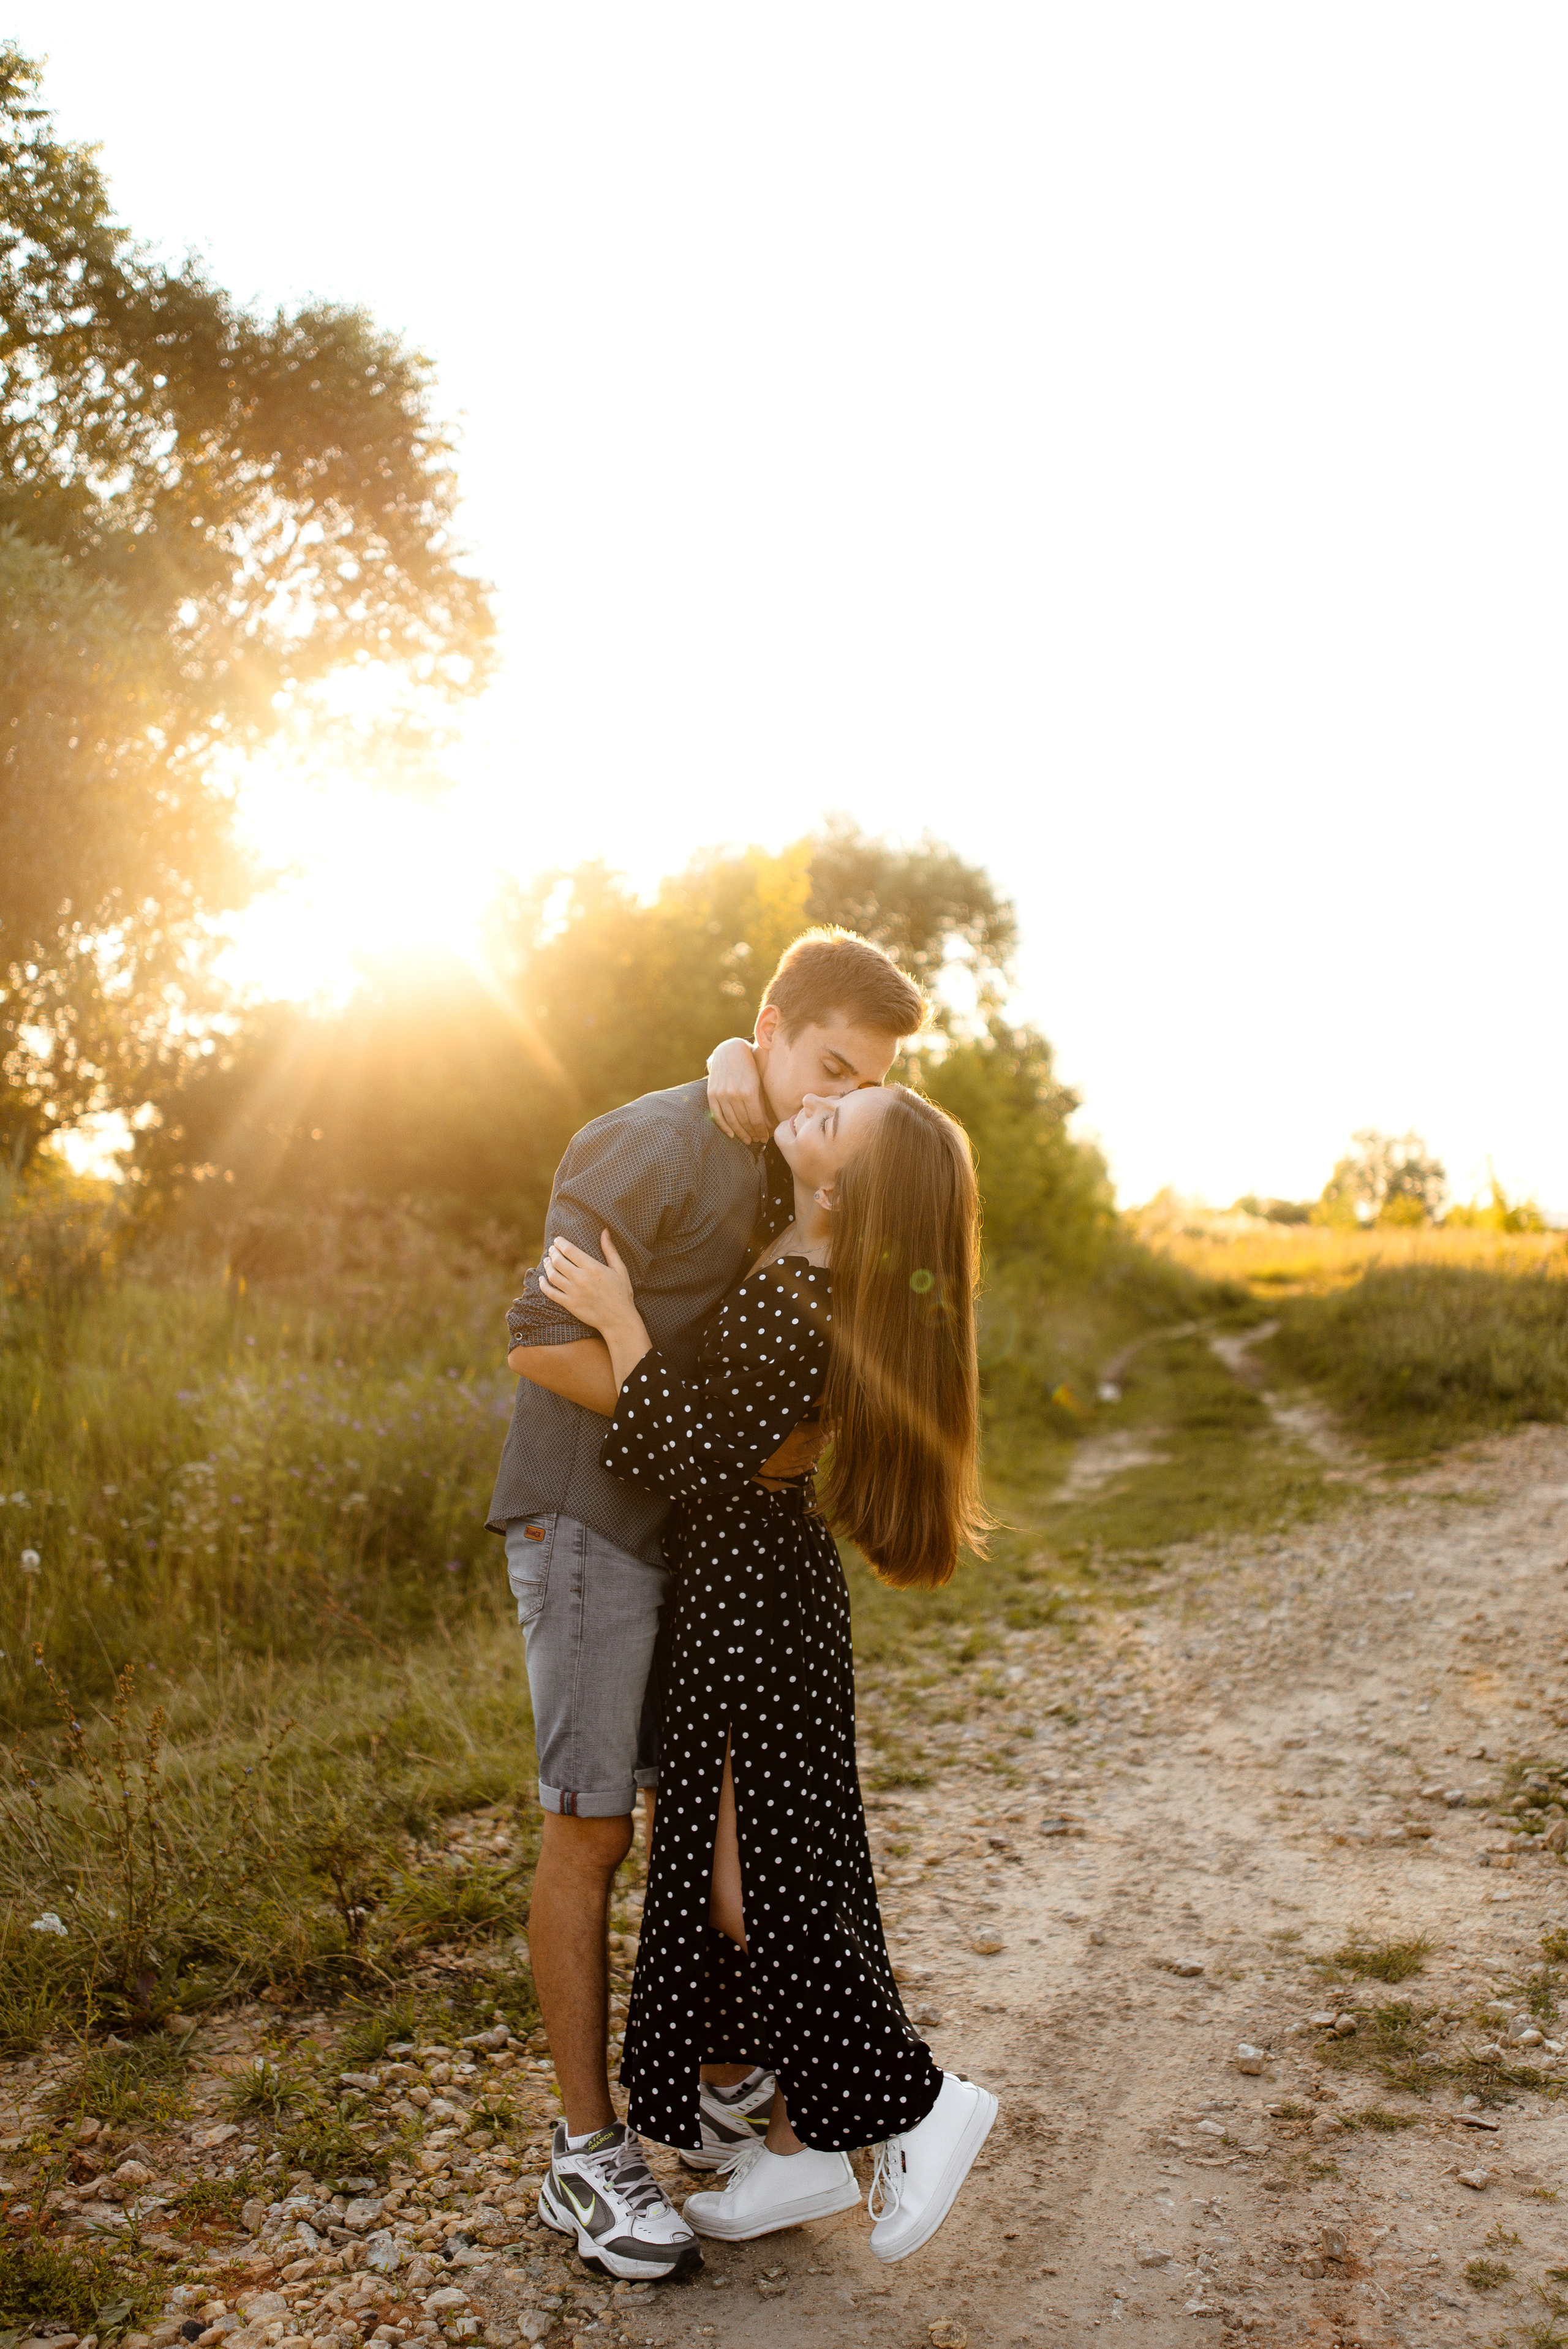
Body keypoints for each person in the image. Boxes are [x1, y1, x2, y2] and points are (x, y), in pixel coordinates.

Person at [489, 928, 925, 2282]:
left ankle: (734, 2085)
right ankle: (585, 2155)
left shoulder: (776, 1141)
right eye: (821, 1064)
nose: (826, 1099)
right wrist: (712, 1441)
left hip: (697, 1534)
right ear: (772, 1024)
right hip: (592, 1529)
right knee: (594, 1830)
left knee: (706, 1826)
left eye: (854, 1082)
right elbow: (537, 1338)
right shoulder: (651, 1140)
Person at [538, 1073, 997, 2265]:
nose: (816, 1105)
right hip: (760, 1592)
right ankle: (796, 2150)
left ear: (845, 1191)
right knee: (788, 1867)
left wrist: (619, 1318)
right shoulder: (799, 1263)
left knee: (757, 1887)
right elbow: (736, 1096)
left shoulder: (804, 1294)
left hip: (749, 1597)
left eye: (836, 1117)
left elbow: (684, 1450)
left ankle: (919, 2102)